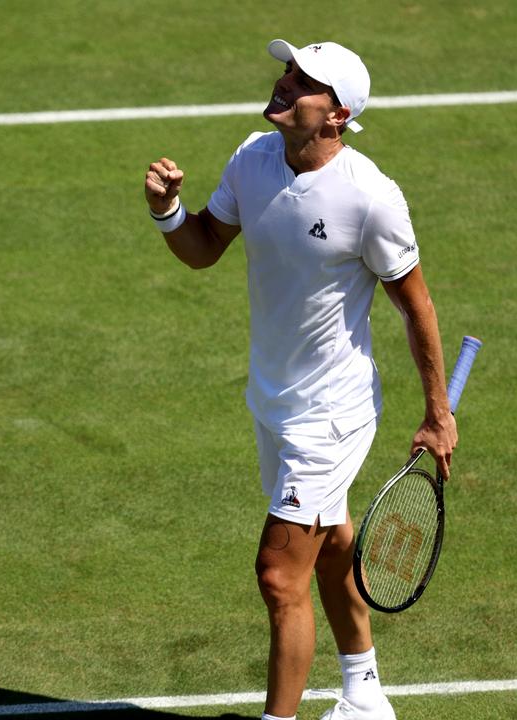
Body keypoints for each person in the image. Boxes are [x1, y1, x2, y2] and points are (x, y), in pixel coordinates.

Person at [143, 39, 457, 720]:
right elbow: (202, 249)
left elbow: (417, 306)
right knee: (332, 540)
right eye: (288, 71)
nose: (286, 83)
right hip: (272, 399)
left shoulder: (370, 199)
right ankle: (365, 696)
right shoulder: (252, 160)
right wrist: (169, 211)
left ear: (336, 115)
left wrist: (438, 411)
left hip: (332, 414)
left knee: (279, 576)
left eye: (304, 82)